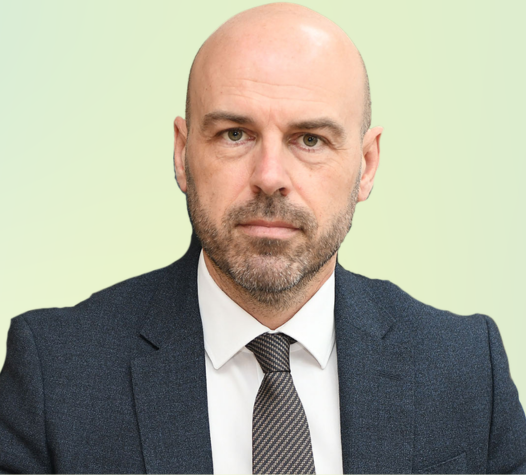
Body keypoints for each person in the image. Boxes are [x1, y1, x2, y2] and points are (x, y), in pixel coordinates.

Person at [1, 2, 525, 474]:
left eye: (310, 139)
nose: (270, 176)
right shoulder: (55, 373)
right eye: (235, 134)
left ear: (366, 165)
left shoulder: (466, 369)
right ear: (182, 153)